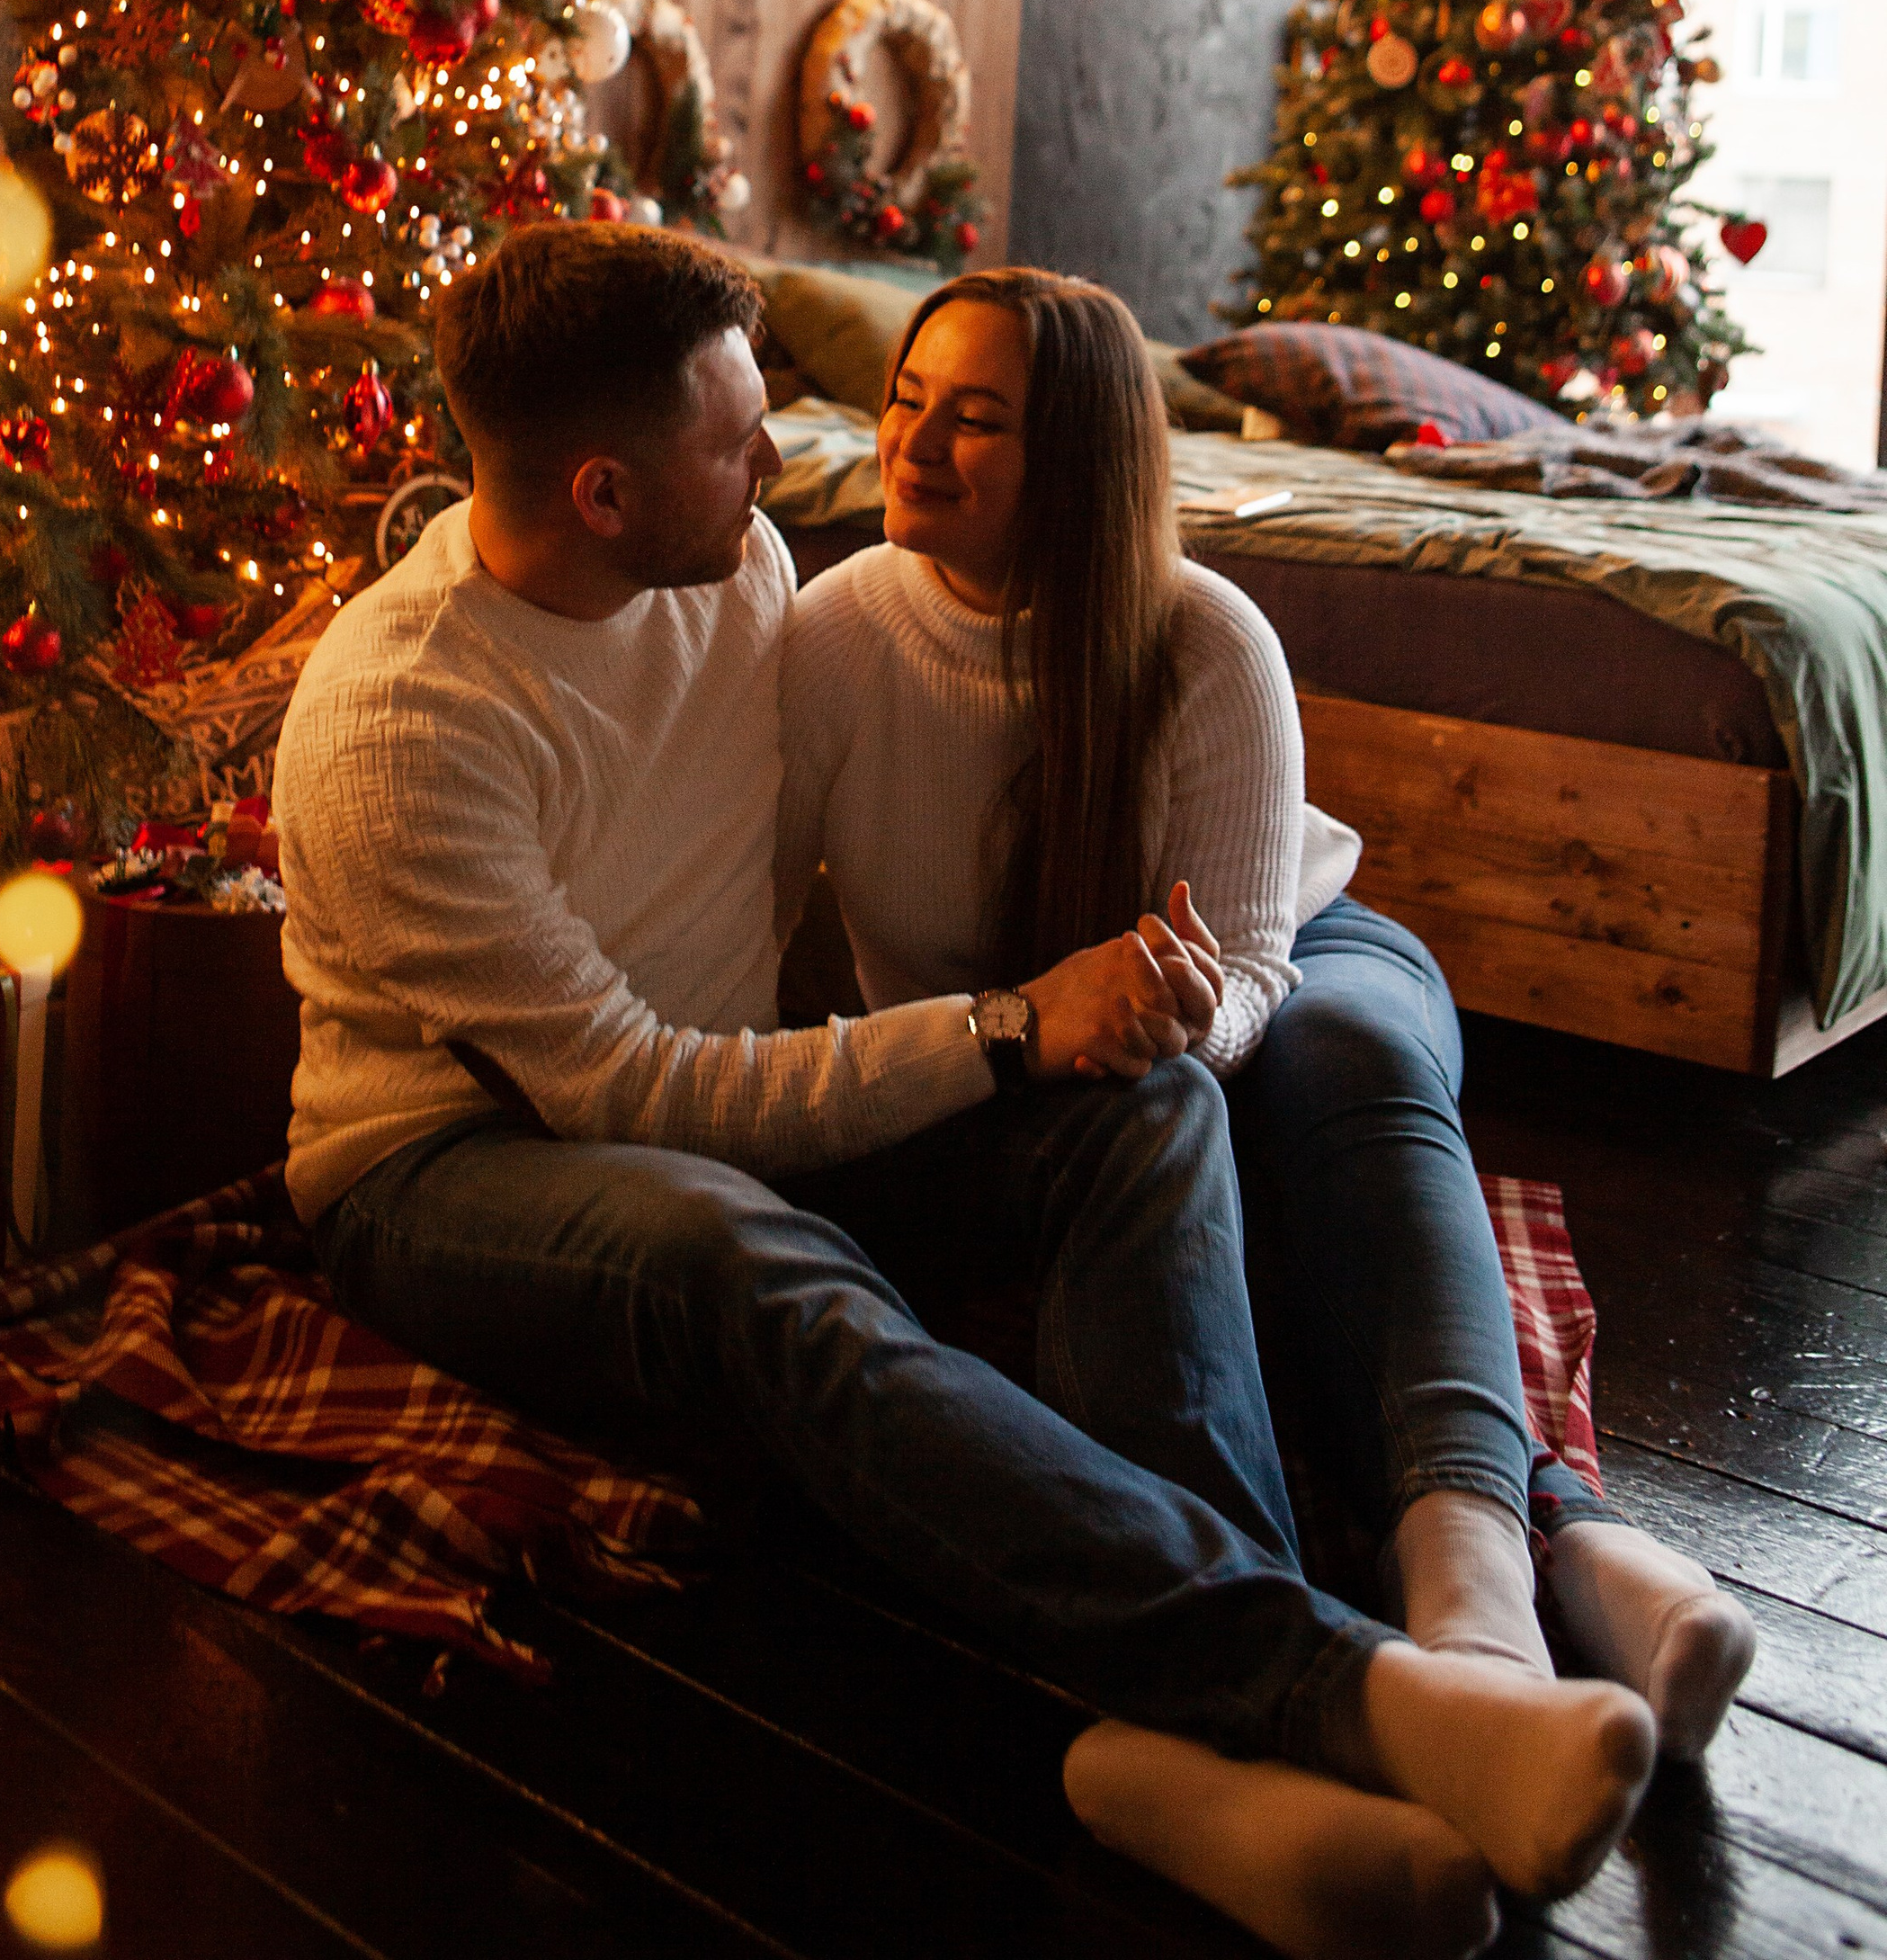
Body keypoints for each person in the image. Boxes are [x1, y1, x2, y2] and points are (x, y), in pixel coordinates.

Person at [273, 221, 1659, 1960]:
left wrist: (1055, 1038)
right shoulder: (404, 726)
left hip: (717, 1104)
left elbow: (802, 919)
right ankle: (1325, 1681)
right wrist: (1002, 1028)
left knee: (1140, 1115)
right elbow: (628, 1095)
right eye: (737, 433)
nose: (785, 459)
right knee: (747, 1264)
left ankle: (1191, 1748)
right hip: (455, 1167)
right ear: (609, 494)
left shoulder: (742, 573)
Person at [778, 264, 1756, 1806]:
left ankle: (1475, 1588)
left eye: (975, 422)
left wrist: (1176, 1017)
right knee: (1213, 1185)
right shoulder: (834, 635)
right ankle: (1575, 1548)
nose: (912, 446)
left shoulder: (1202, 638)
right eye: (904, 403)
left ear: (1084, 460)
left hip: (1288, 957)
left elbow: (1247, 968)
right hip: (1043, 1045)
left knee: (1346, 1061)